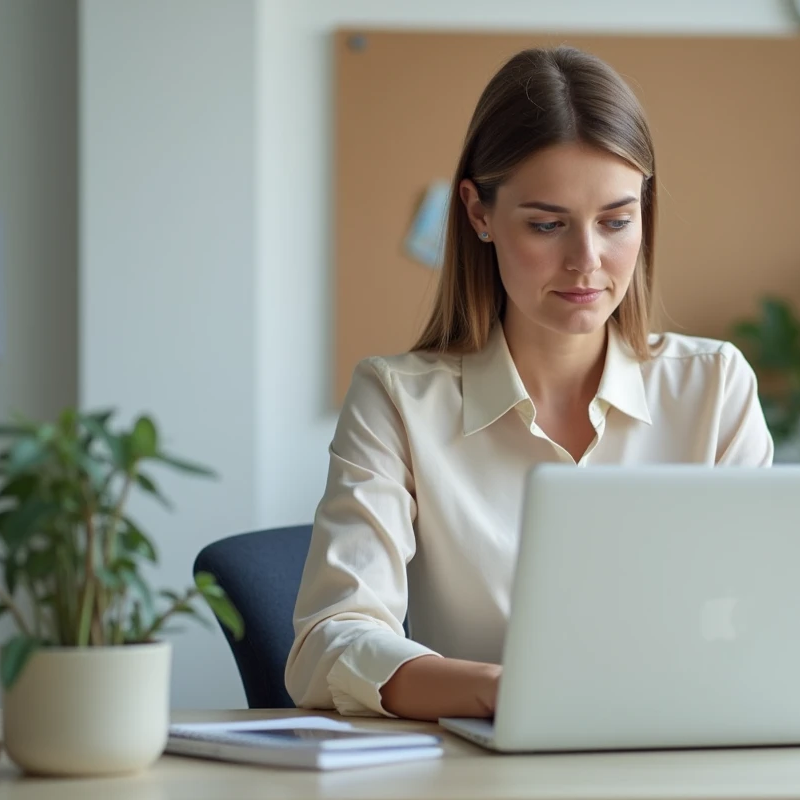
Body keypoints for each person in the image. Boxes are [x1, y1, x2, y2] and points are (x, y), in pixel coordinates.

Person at [284, 45, 774, 722]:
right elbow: (327, 646)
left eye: (616, 221)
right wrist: (501, 689)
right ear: (478, 213)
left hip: (676, 754)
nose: (587, 262)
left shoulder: (714, 388)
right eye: (547, 225)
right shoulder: (397, 401)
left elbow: (763, 618)